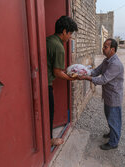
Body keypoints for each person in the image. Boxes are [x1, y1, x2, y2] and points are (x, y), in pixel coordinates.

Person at [79, 38, 124, 150]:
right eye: (103, 46)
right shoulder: (106, 61)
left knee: (114, 119)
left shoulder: (116, 64)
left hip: (114, 97)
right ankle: (112, 133)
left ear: (112, 49)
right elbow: (96, 71)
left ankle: (114, 142)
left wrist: (87, 78)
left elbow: (103, 80)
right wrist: (85, 72)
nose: (103, 49)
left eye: (105, 47)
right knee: (109, 117)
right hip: (108, 95)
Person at [46, 16, 78, 146]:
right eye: (70, 34)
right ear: (64, 31)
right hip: (46, 85)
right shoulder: (59, 47)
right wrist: (72, 78)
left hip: (39, 81)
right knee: (49, 112)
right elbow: (57, 72)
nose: (69, 37)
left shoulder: (48, 40)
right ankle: (49, 140)